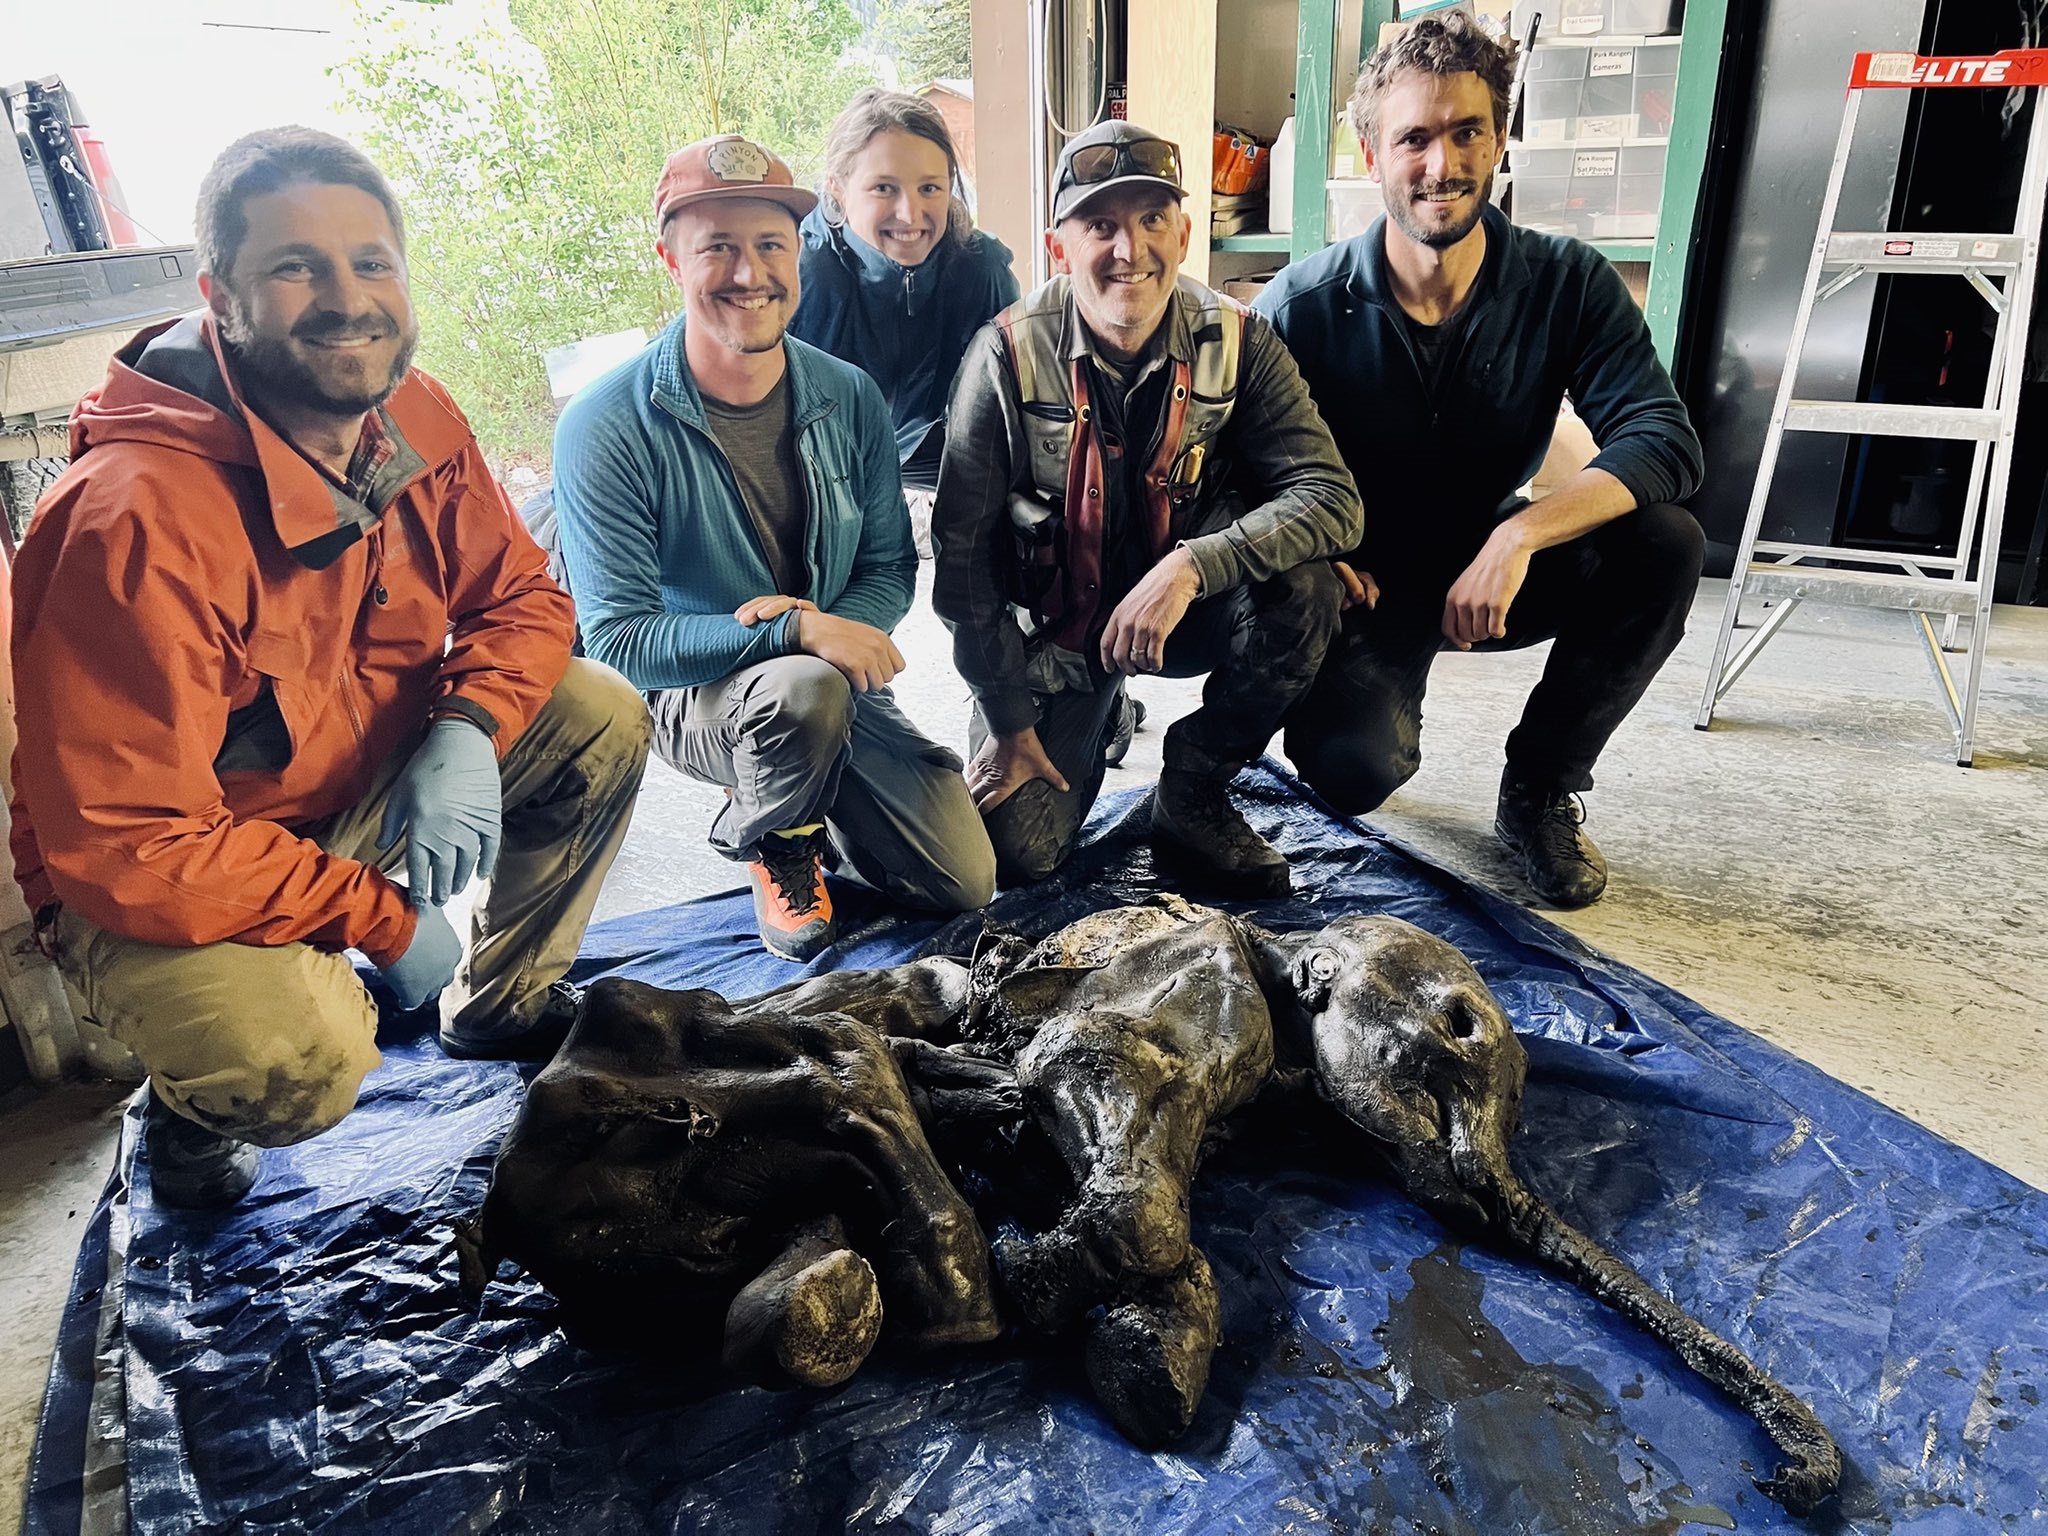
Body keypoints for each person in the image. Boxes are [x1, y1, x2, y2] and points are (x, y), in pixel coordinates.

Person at [8, 127, 651, 1209]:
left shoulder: (412, 418)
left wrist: (467, 727)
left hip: (353, 783)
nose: (348, 301)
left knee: (597, 715)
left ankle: (501, 999)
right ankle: (191, 1115)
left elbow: (522, 598)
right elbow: (130, 844)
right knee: (295, 1060)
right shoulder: (131, 521)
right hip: (168, 865)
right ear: (222, 297)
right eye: (297, 267)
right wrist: (379, 917)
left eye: (371, 263)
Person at [1254, 12, 1706, 907]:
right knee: (1349, 774)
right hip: (1362, 583)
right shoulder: (1300, 307)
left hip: (1495, 562)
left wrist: (1519, 538)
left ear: (1499, 138)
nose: (1443, 164)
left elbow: (1664, 437)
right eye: (1414, 138)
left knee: (1665, 542)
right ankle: (1350, 709)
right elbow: (1237, 467)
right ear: (1371, 151)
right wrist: (1308, 551)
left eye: (1468, 132)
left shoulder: (1568, 282)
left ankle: (1540, 786)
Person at [552, 134, 994, 964]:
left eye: (769, 245)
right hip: (690, 689)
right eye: (716, 247)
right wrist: (795, 633)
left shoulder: (847, 395)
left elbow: (889, 567)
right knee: (800, 690)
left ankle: (797, 767)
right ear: (669, 259)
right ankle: (777, 837)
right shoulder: (605, 423)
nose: (748, 272)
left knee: (961, 881)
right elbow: (618, 641)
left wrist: (825, 638)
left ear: (798, 253)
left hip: (817, 679)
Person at [931, 120, 1363, 895]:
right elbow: (963, 566)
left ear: (1184, 234)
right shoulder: (1001, 356)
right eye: (1100, 225)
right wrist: (1008, 718)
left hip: (1188, 613)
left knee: (1308, 587)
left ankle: (1194, 786)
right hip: (1057, 635)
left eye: (1152, 219)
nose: (1129, 250)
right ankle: (1098, 714)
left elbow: (1331, 497)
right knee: (1017, 855)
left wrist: (1193, 567)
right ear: (1058, 247)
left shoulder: (1242, 342)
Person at [791, 88, 1019, 497]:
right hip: (823, 454)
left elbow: (1013, 406)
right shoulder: (802, 272)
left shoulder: (979, 269)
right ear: (837, 188)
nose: (910, 215)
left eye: (929, 188)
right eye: (883, 188)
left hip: (927, 444)